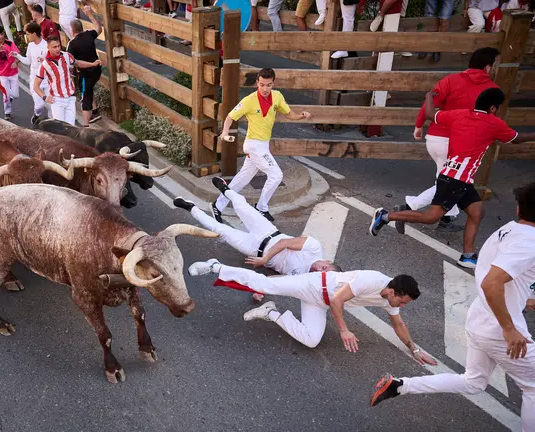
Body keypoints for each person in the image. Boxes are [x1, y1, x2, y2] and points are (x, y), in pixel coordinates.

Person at [370, 182, 535, 432]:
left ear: (517, 209)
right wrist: (509, 328)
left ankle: (400, 385)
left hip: (480, 318)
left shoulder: (510, 231)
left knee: (473, 382)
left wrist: (524, 299)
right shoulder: (528, 242)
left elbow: (497, 278)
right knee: (532, 387)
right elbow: (492, 284)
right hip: (499, 328)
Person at [370, 88, 535, 269]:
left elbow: (431, 114)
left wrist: (428, 97)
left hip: (457, 177)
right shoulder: (494, 123)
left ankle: (468, 256)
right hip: (456, 179)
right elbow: (517, 139)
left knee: (477, 212)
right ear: (494, 108)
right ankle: (385, 216)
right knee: (431, 217)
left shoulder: (460, 115)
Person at [188, 258, 437, 361]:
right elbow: (339, 301)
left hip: (320, 302)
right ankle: (216, 266)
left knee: (311, 340)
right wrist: (344, 331)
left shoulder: (388, 300)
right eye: (402, 302)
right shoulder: (372, 280)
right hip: (313, 286)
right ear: (394, 291)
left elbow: (399, 325)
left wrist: (413, 349)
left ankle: (271, 312)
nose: (401, 307)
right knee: (265, 283)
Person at [397, 48, 501, 233]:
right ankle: (408, 207)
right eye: (496, 64)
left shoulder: (451, 80)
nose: (496, 68)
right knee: (448, 184)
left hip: (435, 138)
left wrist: (419, 124)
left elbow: (430, 104)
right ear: (487, 67)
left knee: (448, 182)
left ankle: (447, 218)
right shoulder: (492, 91)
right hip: (459, 145)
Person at [174, 178, 338, 277]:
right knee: (241, 207)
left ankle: (190, 207)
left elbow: (284, 281)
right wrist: (265, 260)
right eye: (323, 268)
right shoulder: (315, 248)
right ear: (328, 261)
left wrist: (261, 289)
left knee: (220, 231)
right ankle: (225, 189)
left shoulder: (307, 277)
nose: (317, 269)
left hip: (253, 250)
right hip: (268, 233)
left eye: (319, 274)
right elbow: (284, 244)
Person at [213, 68, 311, 223]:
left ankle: (217, 206)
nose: (265, 89)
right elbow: (230, 116)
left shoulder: (277, 96)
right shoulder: (248, 101)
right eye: (262, 85)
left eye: (269, 85)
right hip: (253, 145)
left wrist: (301, 116)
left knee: (241, 179)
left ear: (273, 83)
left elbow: (289, 114)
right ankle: (261, 208)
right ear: (257, 83)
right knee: (276, 175)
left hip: (263, 145)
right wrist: (225, 132)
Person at [66, 4, 102, 125]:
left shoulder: (72, 44)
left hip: (85, 74)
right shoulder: (89, 34)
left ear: (72, 30)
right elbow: (99, 28)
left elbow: (70, 62)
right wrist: (89, 14)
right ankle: (95, 112)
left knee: (85, 97)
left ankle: (86, 126)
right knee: (89, 88)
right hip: (97, 70)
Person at [33, 36, 77, 125]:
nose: (58, 49)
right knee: (61, 129)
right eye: (54, 47)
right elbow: (35, 86)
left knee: (72, 128)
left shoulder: (66, 56)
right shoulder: (44, 65)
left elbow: (78, 63)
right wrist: (45, 97)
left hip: (71, 98)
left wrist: (92, 64)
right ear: (48, 47)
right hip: (57, 100)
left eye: (58, 46)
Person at [14, 21, 49, 124]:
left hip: (47, 79)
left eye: (28, 34)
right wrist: (17, 55)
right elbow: (28, 62)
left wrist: (45, 61)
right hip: (35, 78)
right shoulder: (30, 46)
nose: (27, 36)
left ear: (34, 33)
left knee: (52, 105)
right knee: (39, 105)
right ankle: (36, 115)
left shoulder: (46, 45)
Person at [0, 24, 20, 121]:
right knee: (6, 94)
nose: (0, 37)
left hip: (13, 72)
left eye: (1, 34)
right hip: (2, 74)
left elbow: (18, 55)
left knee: (15, 95)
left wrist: (16, 62)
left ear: (4, 34)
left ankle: (9, 97)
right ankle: (7, 112)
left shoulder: (10, 43)